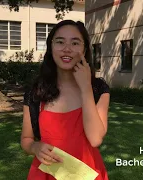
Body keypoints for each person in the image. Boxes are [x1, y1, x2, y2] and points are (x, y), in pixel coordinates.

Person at [21, 19, 110, 180]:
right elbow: (26, 139)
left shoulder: (98, 89)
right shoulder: (35, 91)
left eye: (75, 43)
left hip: (87, 174)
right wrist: (35, 147)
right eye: (60, 42)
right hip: (47, 173)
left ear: (84, 49)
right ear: (51, 47)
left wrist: (85, 88)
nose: (67, 49)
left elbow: (96, 138)